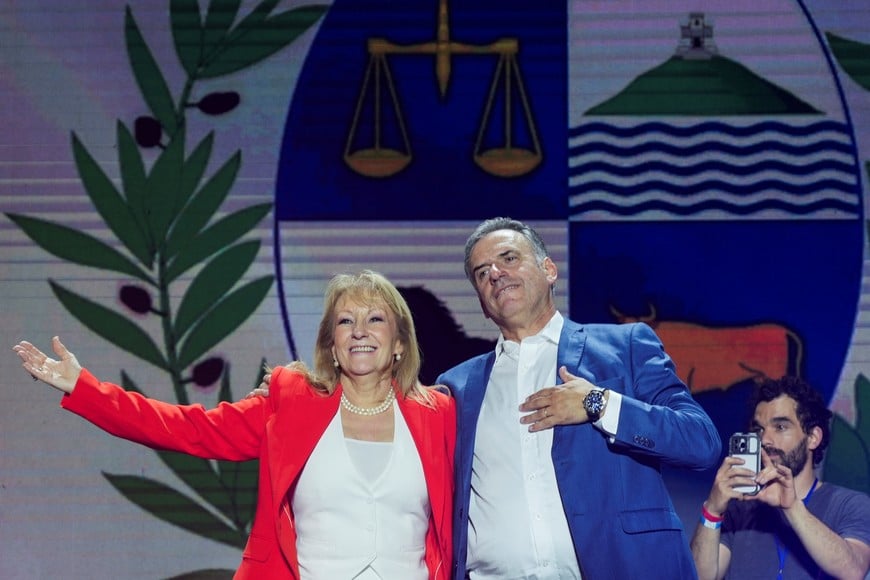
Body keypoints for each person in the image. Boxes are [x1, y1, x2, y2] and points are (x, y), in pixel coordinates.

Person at [13, 270, 455, 580]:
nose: (359, 331)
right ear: (333, 347)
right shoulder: (292, 403)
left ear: (399, 343)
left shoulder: (439, 414)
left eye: (375, 319)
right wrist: (84, 388)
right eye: (345, 321)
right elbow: (185, 428)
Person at [436, 216, 722, 579]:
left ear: (549, 269)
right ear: (481, 302)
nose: (495, 273)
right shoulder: (457, 386)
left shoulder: (626, 346)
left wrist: (599, 404)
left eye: (509, 258)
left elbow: (700, 442)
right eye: (481, 272)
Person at [690, 376, 870, 580]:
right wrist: (712, 510)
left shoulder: (850, 504)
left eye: (780, 427)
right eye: (759, 429)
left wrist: (792, 508)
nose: (765, 440)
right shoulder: (738, 510)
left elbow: (853, 571)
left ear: (813, 438)